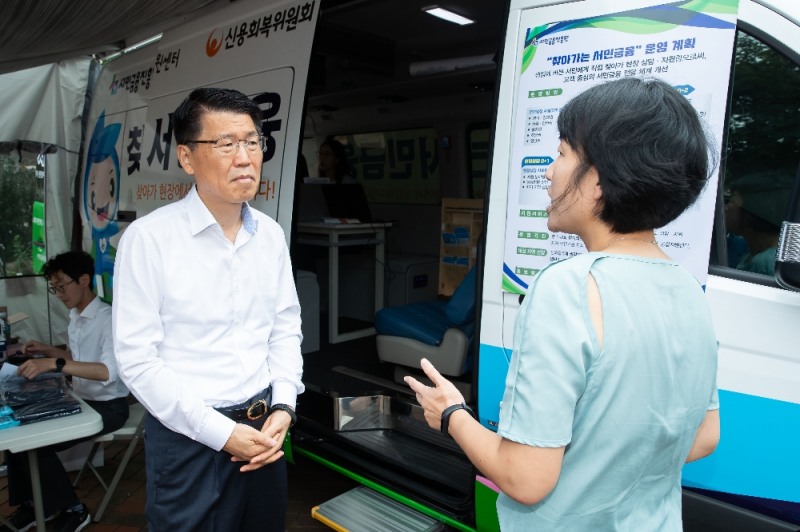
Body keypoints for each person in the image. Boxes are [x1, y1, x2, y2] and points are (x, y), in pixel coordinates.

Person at [406, 78, 720, 531]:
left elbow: (525, 478)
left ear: (597, 180)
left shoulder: (569, 287)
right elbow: (703, 438)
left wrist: (451, 413)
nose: (550, 172)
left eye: (562, 154)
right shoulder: (689, 288)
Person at [112, 87, 304, 532]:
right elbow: (137, 361)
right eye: (225, 144)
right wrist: (222, 434)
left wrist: (285, 406)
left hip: (264, 429)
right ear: (186, 157)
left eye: (253, 142)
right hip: (189, 440)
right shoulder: (150, 239)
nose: (244, 157)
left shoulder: (270, 235)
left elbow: (284, 327)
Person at [1, 250, 130, 532]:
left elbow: (108, 371)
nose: (58, 294)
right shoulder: (76, 315)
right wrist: (47, 350)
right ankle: (34, 506)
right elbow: (74, 358)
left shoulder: (108, 318)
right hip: (82, 400)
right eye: (53, 288)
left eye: (62, 286)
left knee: (37, 442)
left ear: (84, 280)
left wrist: (54, 363)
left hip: (109, 407)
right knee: (18, 432)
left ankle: (75, 509)